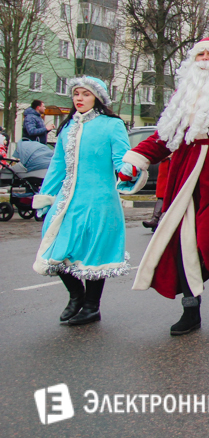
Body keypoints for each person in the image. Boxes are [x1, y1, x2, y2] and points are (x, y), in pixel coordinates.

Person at [119, 36, 209, 336]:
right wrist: (137, 159)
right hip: (184, 169)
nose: (206, 59)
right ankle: (190, 307)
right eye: (201, 54)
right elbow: (163, 135)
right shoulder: (183, 91)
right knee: (181, 239)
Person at [31, 77, 130, 326]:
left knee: (94, 252)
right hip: (67, 200)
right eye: (76, 93)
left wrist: (129, 171)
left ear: (97, 98)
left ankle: (91, 307)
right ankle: (76, 295)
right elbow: (57, 166)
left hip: (100, 200)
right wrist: (46, 196)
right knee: (56, 247)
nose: (79, 98)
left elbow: (121, 159)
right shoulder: (68, 128)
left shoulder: (112, 125)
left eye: (85, 94)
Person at [143, 160, 170, 232]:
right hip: (166, 164)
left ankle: (156, 220)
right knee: (162, 195)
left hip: (178, 162)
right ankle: (155, 220)